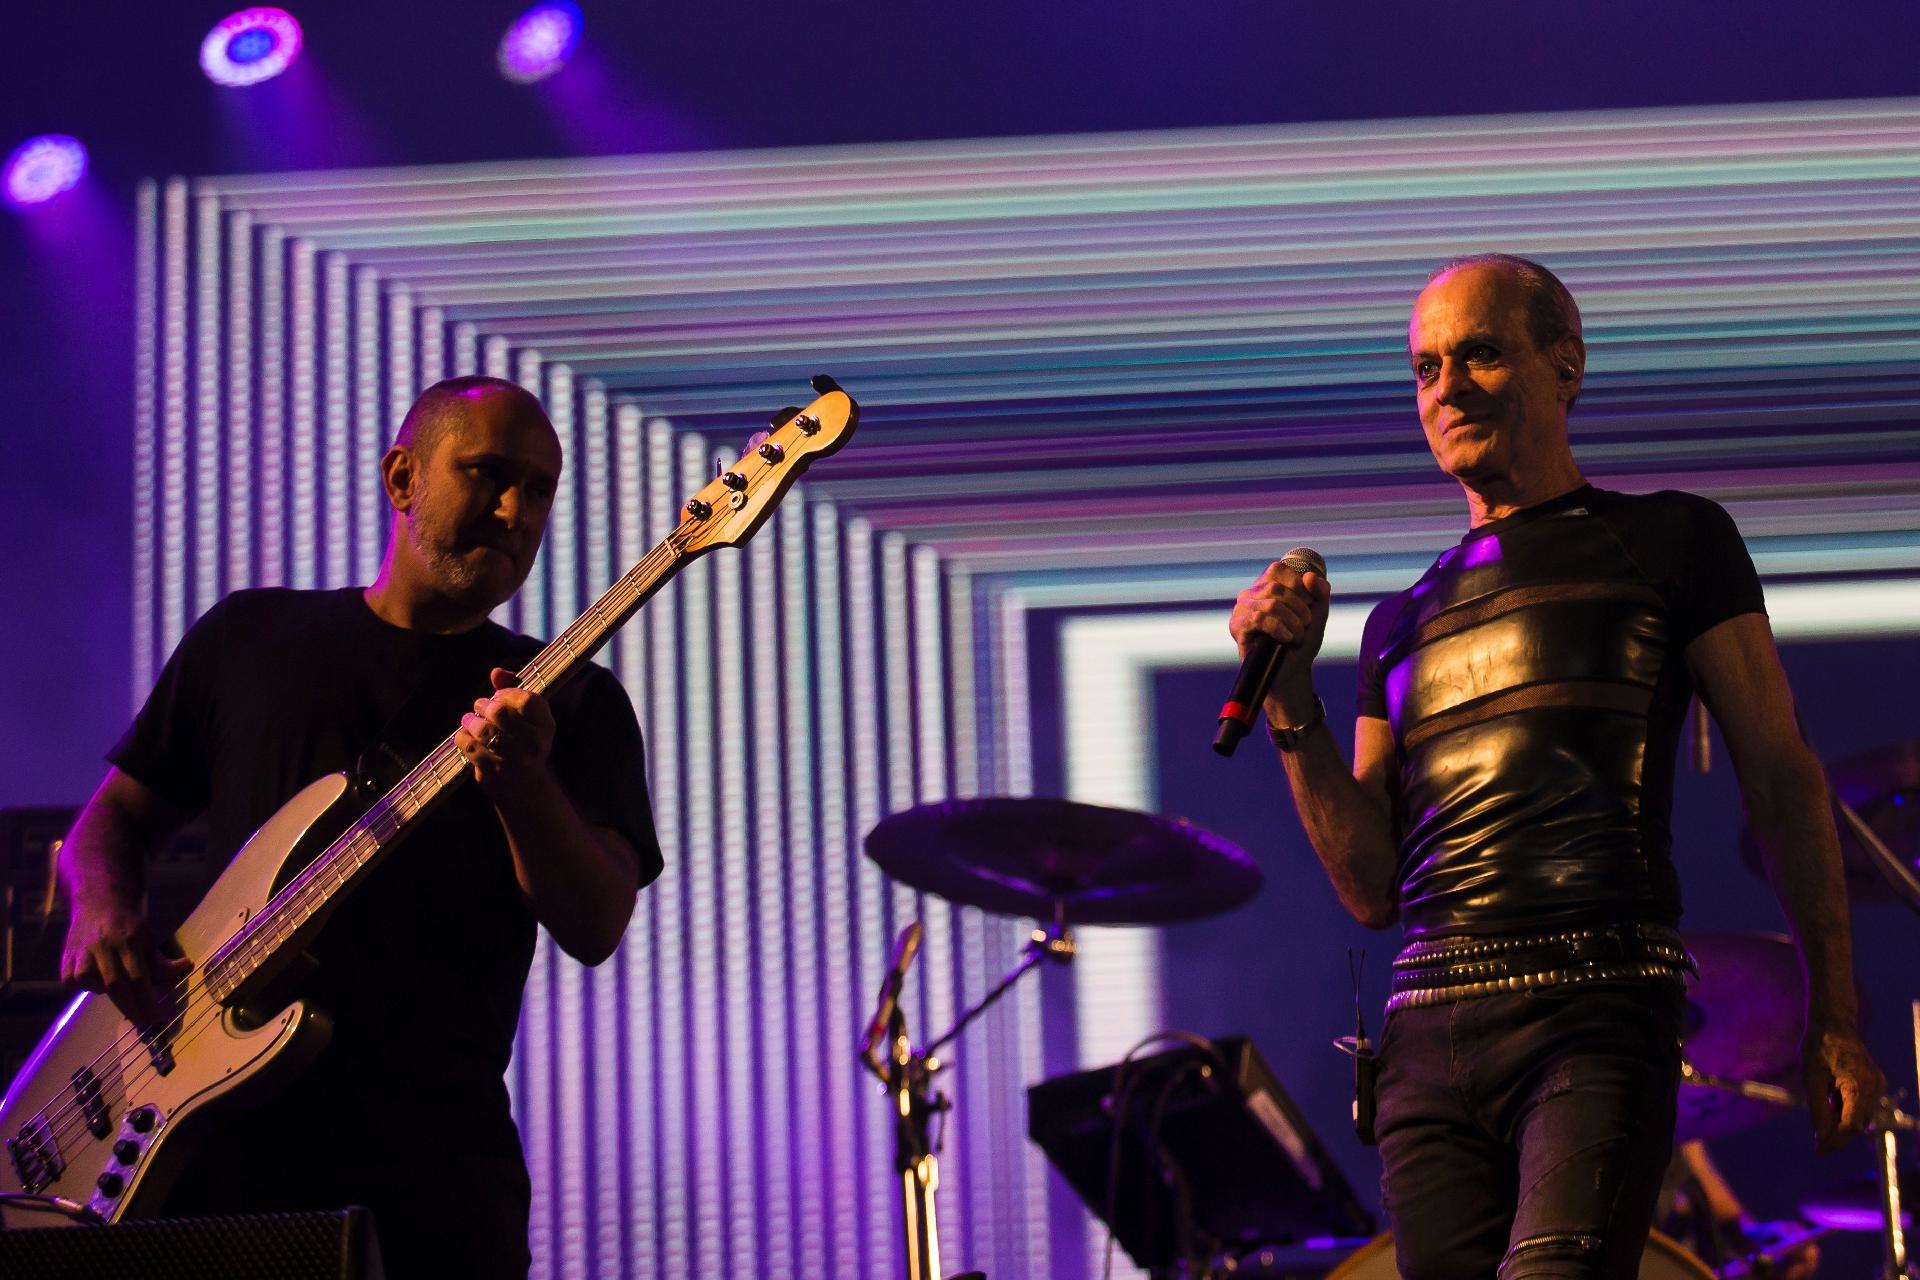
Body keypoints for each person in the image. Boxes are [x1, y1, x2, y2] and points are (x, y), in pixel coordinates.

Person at [1228, 255, 1883, 1279]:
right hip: (1427, 1041)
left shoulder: (1672, 538)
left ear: (1566, 366)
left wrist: (1836, 1016)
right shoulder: (1397, 623)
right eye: (1426, 366)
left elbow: (1782, 777)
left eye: (1480, 354)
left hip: (1596, 1008)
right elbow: (1368, 887)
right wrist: (1289, 702)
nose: (1447, 386)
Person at [56, 375, 661, 1277]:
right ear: (402, 478)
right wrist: (101, 906)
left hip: (433, 1182)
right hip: (199, 1152)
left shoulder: (572, 703)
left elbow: (597, 922)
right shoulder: (249, 637)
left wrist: (526, 786)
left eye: (538, 489)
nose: (513, 510)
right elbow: (114, 816)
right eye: (488, 473)